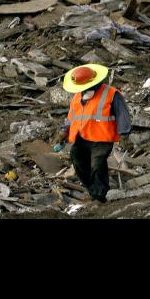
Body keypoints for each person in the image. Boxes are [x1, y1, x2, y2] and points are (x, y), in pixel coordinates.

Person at [57, 64, 131, 203]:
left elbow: (123, 115)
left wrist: (125, 135)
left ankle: (100, 195)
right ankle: (92, 189)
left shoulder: (111, 94)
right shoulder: (77, 97)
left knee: (97, 164)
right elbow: (72, 117)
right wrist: (64, 131)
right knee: (77, 160)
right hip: (82, 137)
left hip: (102, 138)